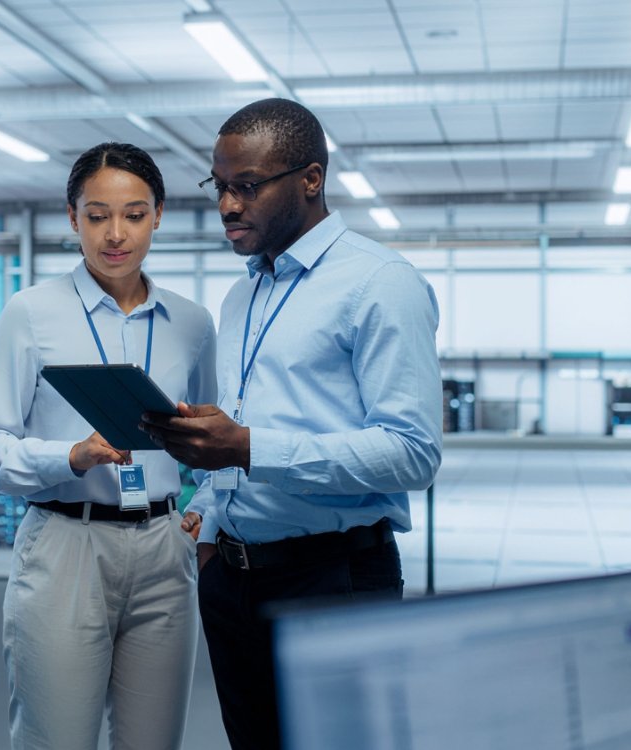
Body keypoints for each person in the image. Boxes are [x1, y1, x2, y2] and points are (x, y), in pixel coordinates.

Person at [141, 98, 443, 750]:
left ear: (310, 179)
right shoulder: (243, 294)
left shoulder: (380, 283)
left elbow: (413, 452)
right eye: (220, 186)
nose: (227, 206)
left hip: (333, 582)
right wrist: (212, 521)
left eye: (247, 187)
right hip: (233, 581)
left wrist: (248, 447)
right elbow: (247, 419)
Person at [0, 142, 217, 750]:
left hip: (165, 549)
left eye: (134, 214)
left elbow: (214, 440)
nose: (115, 234)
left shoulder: (193, 323)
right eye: (97, 215)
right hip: (66, 544)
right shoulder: (31, 313)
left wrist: (204, 517)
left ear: (158, 215)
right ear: (72, 217)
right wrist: (70, 457)